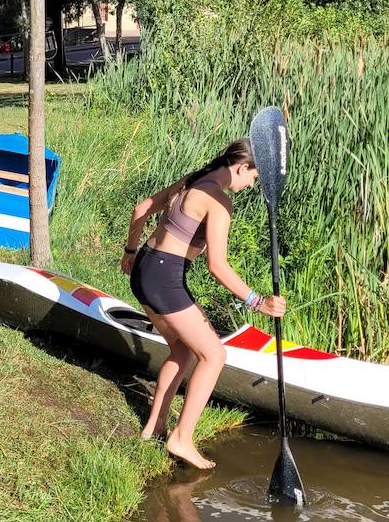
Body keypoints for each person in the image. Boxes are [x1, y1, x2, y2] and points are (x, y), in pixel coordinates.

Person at [120, 139, 287, 470]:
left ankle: (153, 427)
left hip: (145, 267)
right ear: (242, 167)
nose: (252, 185)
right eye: (253, 178)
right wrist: (258, 302)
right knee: (214, 355)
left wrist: (129, 252)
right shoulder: (220, 202)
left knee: (182, 351)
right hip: (164, 277)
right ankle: (182, 438)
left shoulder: (191, 180)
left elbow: (140, 209)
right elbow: (217, 265)